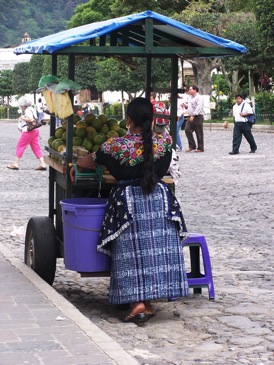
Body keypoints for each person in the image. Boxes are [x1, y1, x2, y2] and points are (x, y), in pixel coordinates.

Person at [70, 97, 189, 323]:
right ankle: (149, 302)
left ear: (129, 120)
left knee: (132, 253)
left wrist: (73, 165)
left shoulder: (115, 146)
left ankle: (138, 303)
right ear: (152, 119)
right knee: (155, 252)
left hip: (128, 204)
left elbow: (90, 160)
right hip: (160, 200)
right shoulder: (165, 142)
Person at [7, 96, 47, 171]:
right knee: (36, 147)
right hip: (35, 130)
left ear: (23, 105)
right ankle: (42, 163)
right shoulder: (32, 108)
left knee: (20, 146)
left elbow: (31, 119)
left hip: (29, 131)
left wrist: (23, 118)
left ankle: (16, 164)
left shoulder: (27, 110)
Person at [184, 85, 204, 152]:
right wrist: (185, 106)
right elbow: (190, 107)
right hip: (190, 116)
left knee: (199, 132)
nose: (189, 90)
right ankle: (192, 145)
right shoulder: (190, 97)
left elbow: (199, 107)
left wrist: (194, 115)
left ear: (195, 90)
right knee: (187, 129)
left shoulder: (199, 97)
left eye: (190, 89)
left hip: (198, 116)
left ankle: (200, 147)